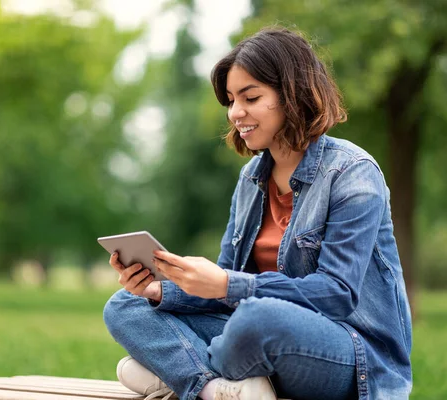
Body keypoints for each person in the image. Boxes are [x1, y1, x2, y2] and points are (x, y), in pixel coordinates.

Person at [103, 27, 412, 400]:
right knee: (127, 305)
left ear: (293, 95)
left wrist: (228, 285)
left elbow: (337, 294)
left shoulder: (352, 173)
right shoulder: (251, 179)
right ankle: (213, 388)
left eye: (250, 97)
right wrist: (162, 290)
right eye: (231, 100)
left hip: (347, 353)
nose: (236, 113)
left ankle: (178, 372)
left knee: (258, 318)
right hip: (253, 341)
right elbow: (223, 291)